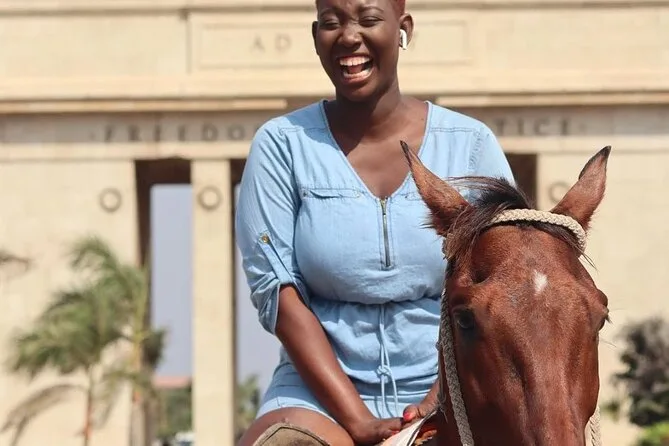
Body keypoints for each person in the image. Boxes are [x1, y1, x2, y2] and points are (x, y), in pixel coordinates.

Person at [234, 0, 515, 443]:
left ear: (404, 29)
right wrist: (357, 420)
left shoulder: (471, 145)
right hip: (316, 395)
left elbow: (506, 286)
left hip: (456, 381)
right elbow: (278, 294)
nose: (349, 36)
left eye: (368, 19)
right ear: (316, 37)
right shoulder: (281, 146)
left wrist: (441, 395)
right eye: (332, 23)